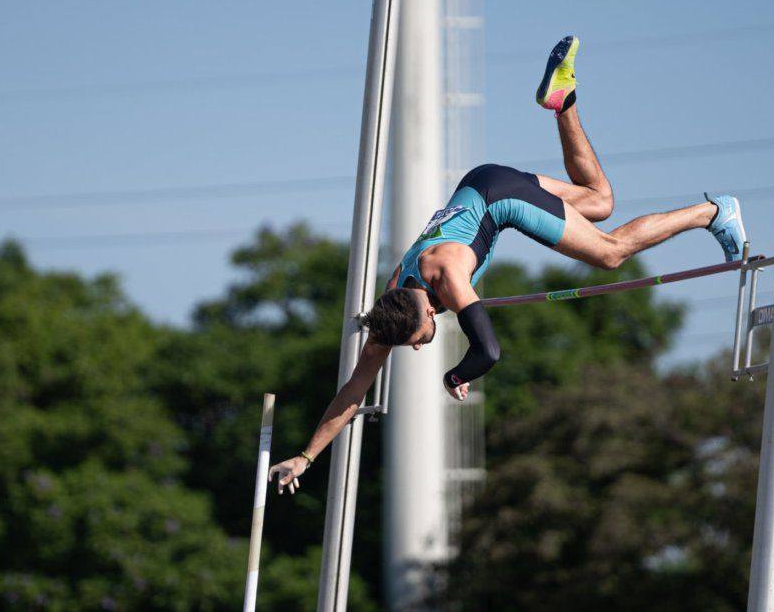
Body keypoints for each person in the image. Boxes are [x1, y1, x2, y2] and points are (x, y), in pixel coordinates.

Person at [268, 36, 746, 494]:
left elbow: (489, 352)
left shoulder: (447, 279)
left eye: (416, 342)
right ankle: (564, 100)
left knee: (609, 252)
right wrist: (306, 457)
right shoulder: (392, 307)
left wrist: (454, 377)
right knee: (599, 200)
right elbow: (353, 390)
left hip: (501, 200)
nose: (415, 349)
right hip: (481, 181)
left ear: (430, 313)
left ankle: (712, 212)